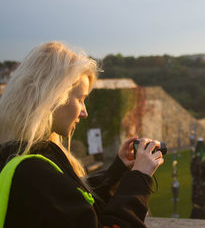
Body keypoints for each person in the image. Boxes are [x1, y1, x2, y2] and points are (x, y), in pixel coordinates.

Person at [0, 42, 164, 228]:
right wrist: (139, 178)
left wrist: (117, 170)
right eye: (80, 99)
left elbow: (75, 206)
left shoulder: (22, 156)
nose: (84, 112)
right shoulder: (34, 172)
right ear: (53, 96)